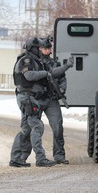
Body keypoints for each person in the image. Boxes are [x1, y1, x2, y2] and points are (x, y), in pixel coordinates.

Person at [9, 36, 74, 167]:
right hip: (29, 98)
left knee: (30, 128)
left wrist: (66, 66)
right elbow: (29, 75)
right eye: (40, 48)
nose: (42, 50)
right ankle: (34, 158)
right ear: (34, 48)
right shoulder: (27, 60)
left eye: (46, 47)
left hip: (43, 98)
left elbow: (54, 73)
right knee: (34, 127)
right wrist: (44, 74)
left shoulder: (39, 62)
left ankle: (18, 158)